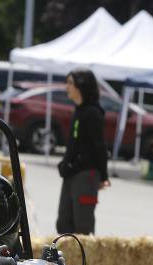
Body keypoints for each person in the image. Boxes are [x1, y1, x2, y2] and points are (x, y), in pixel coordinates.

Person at [55, 69, 110, 235]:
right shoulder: (78, 110)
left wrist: (104, 175)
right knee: (64, 222)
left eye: (71, 83)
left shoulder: (92, 112)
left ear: (81, 86)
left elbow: (99, 146)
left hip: (86, 175)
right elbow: (74, 144)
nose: (67, 87)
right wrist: (65, 164)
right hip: (72, 172)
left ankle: (84, 259)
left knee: (82, 225)